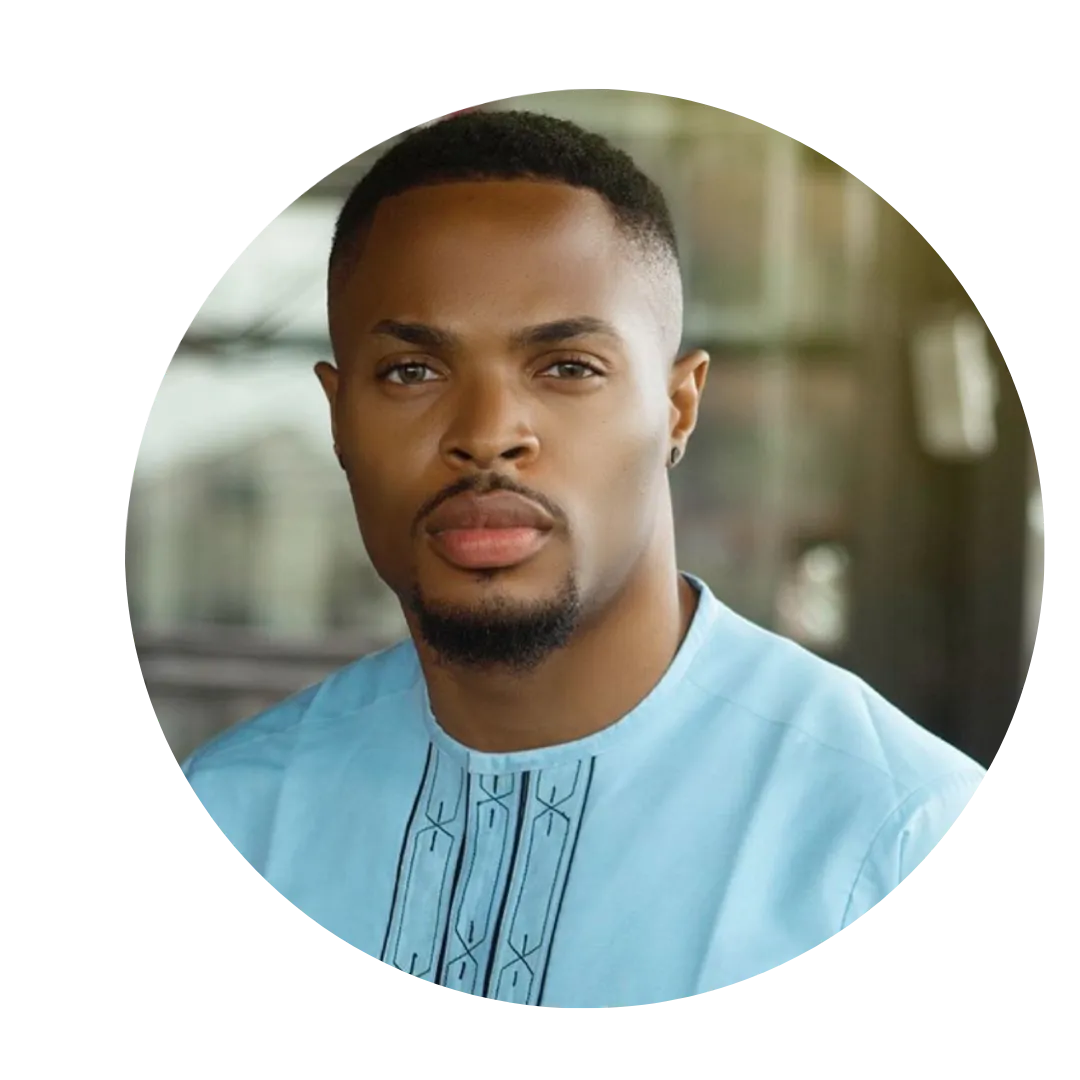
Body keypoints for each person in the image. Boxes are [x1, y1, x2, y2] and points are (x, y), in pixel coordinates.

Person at [180, 107, 987, 1008]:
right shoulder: (240, 813)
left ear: (678, 409)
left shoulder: (892, 836)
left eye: (567, 367)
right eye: (413, 372)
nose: (488, 434)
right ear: (338, 417)